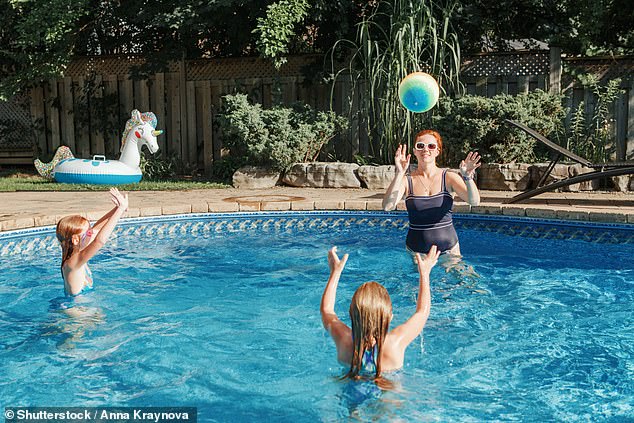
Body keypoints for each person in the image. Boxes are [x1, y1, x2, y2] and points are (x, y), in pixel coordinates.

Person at [320, 245, 440, 386]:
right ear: (390, 317)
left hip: (351, 389)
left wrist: (335, 272)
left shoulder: (344, 340)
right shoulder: (395, 343)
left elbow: (327, 310)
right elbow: (422, 312)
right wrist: (425, 273)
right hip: (389, 396)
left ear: (351, 314)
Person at [382, 129, 481, 257]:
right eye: (420, 146)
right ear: (414, 151)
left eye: (431, 146)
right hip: (417, 253)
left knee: (465, 277)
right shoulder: (407, 180)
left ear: (437, 151)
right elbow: (387, 206)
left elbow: (474, 201)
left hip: (449, 252)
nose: (425, 149)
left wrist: (467, 177)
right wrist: (399, 173)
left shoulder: (449, 177)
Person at [55, 187, 128, 296]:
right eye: (88, 232)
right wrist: (121, 209)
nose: (92, 233)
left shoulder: (76, 251)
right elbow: (99, 241)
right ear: (75, 240)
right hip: (76, 310)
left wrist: (117, 209)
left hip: (80, 305)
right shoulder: (73, 262)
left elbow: (97, 229)